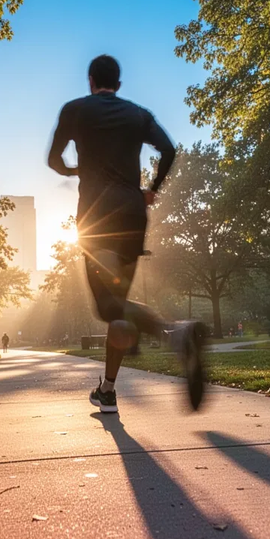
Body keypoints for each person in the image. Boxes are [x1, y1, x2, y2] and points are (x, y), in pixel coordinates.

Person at [47, 54, 207, 414]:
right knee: (119, 309)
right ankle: (107, 389)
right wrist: (153, 189)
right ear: (118, 84)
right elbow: (168, 149)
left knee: (108, 306)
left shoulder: (75, 109)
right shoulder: (138, 113)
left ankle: (173, 332)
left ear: (90, 80)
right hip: (133, 215)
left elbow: (53, 160)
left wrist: (75, 170)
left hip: (96, 220)